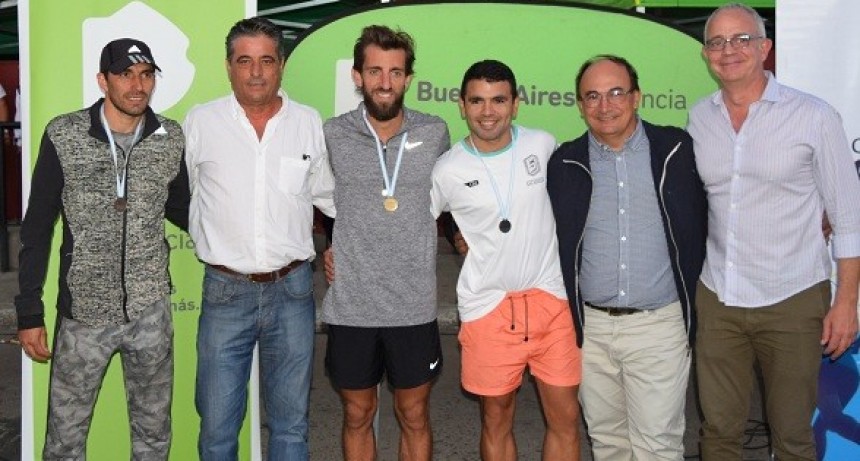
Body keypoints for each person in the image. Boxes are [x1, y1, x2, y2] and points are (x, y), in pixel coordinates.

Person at [688, 4, 860, 460]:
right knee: (719, 433)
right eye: (717, 42)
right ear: (706, 54)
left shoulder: (814, 116)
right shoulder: (699, 118)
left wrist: (846, 303)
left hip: (793, 298)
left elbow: (848, 214)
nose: (730, 51)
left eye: (742, 39)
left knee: (792, 437)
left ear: (765, 47)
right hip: (719, 297)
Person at [14, 38, 189, 459]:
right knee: (64, 442)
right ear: (102, 80)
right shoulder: (65, 133)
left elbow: (186, 211)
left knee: (154, 439)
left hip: (151, 313)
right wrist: (29, 312)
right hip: (84, 319)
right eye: (125, 74)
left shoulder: (170, 137)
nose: (137, 85)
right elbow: (37, 228)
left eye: (146, 74)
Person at [183, 17, 334, 461]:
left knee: (291, 427)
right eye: (244, 61)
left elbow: (328, 198)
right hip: (225, 291)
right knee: (216, 429)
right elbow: (182, 194)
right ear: (228, 66)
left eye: (266, 60)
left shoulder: (308, 123)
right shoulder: (201, 123)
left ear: (281, 65)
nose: (255, 72)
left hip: (293, 291)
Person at [546, 55, 707, 460]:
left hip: (658, 328)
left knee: (658, 446)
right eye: (593, 96)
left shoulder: (677, 149)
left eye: (616, 92)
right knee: (608, 443)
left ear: (636, 97)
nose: (605, 105)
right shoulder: (564, 163)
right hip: (592, 331)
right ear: (580, 105)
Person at [430, 59, 581, 461]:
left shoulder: (542, 144)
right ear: (461, 105)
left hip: (552, 302)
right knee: (496, 420)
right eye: (477, 101)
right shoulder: (446, 169)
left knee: (565, 419)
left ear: (516, 103)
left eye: (498, 100)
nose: (487, 111)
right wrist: (454, 234)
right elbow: (419, 224)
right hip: (489, 308)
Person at [321, 25, 450, 461]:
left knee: (413, 414)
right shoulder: (333, 134)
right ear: (357, 76)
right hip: (352, 304)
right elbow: (313, 197)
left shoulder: (435, 132)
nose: (384, 82)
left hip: (412, 304)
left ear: (409, 78)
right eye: (374, 71)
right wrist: (324, 247)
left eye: (395, 72)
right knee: (358, 413)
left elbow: (457, 202)